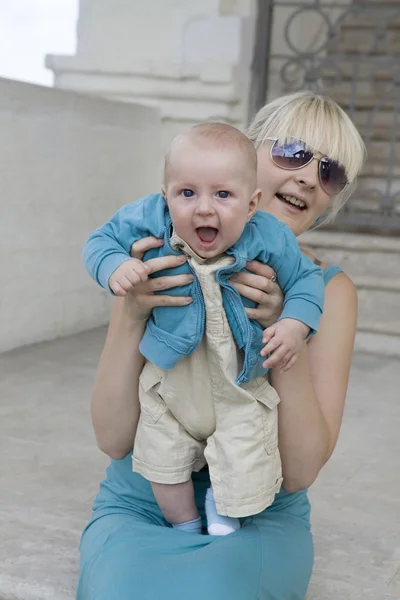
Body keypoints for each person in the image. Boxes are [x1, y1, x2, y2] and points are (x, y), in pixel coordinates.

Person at [77, 91, 365, 600]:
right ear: (247, 155)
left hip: (260, 512)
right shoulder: (161, 251)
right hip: (145, 498)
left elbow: (299, 472)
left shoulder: (327, 292)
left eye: (331, 172)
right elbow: (113, 438)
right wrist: (133, 308)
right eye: (293, 152)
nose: (306, 176)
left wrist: (284, 331)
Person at [82, 122, 324, 536]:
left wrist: (294, 324)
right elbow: (100, 240)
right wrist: (115, 267)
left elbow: (306, 280)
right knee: (162, 458)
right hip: (170, 378)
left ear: (252, 205)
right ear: (166, 196)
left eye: (223, 195)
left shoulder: (270, 237)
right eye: (187, 193)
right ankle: (185, 524)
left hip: (239, 385)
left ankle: (223, 515)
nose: (204, 208)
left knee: (244, 454)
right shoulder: (150, 220)